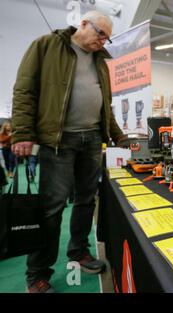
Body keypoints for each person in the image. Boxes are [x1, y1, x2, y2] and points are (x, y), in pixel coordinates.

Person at [12, 11, 126, 293]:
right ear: (84, 24)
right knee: (52, 208)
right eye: (101, 34)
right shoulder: (46, 46)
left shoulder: (100, 61)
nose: (103, 42)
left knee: (87, 200)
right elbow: (24, 91)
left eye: (107, 38)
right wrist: (23, 133)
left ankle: (78, 251)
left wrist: (119, 136)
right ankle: (37, 274)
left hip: (91, 139)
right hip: (58, 141)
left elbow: (105, 104)